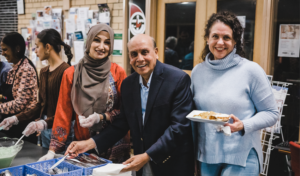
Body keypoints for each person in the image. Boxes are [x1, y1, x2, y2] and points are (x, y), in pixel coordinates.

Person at [65, 34, 194, 176]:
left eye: (144, 52)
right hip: (141, 161)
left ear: (156, 52)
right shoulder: (128, 84)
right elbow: (122, 123)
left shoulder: (177, 79)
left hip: (171, 163)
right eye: (134, 54)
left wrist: (147, 155)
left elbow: (179, 127)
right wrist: (89, 143)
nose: (140, 59)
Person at [191, 11, 279, 176]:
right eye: (215, 36)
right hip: (207, 156)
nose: (220, 42)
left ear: (235, 41)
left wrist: (243, 125)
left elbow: (272, 113)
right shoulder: (197, 72)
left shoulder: (251, 71)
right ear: (207, 39)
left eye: (226, 38)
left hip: (242, 157)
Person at [38, 24, 130, 163]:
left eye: (107, 42)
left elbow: (125, 112)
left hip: (114, 145)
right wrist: (53, 149)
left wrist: (102, 117)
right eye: (97, 40)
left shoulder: (118, 72)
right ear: (89, 41)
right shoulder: (71, 74)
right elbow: (63, 112)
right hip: (84, 146)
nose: (101, 46)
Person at [10, 29, 72, 149]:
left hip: (62, 132)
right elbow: (41, 105)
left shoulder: (67, 71)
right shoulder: (43, 72)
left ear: (47, 47)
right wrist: (16, 118)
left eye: (37, 46)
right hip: (45, 131)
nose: (35, 50)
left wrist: (44, 123)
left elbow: (68, 111)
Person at [0, 32, 38, 143]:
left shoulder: (26, 69)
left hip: (22, 127)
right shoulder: (13, 70)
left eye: (5, 50)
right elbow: (9, 96)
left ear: (17, 48)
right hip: (10, 125)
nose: (3, 53)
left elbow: (19, 104)